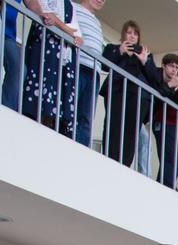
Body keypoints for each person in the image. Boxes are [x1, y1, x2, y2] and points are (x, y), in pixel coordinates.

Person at [21, 0, 79, 137]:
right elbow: (46, 14)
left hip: (60, 60)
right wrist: (68, 30)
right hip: (43, 50)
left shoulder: (70, 5)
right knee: (39, 95)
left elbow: (77, 34)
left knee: (56, 98)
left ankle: (50, 129)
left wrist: (61, 26)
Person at [100, 20, 153, 169]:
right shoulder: (113, 48)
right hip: (117, 93)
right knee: (113, 126)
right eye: (129, 32)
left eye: (135, 33)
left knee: (131, 133)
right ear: (123, 34)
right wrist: (120, 51)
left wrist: (144, 61)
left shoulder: (145, 55)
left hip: (137, 98)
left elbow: (154, 79)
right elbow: (104, 64)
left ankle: (124, 165)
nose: (132, 36)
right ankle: (109, 161)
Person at [150, 53, 178, 190]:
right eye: (172, 66)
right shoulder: (156, 75)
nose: (174, 70)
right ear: (163, 66)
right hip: (160, 121)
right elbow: (156, 96)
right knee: (169, 156)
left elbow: (175, 104)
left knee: (170, 157)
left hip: (170, 123)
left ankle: (164, 185)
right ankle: (168, 187)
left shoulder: (174, 83)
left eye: (177, 67)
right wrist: (170, 85)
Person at [70, 0, 104, 148]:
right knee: (72, 107)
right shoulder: (73, 7)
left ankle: (81, 148)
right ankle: (67, 140)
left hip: (94, 71)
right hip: (77, 64)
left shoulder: (97, 22)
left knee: (87, 116)